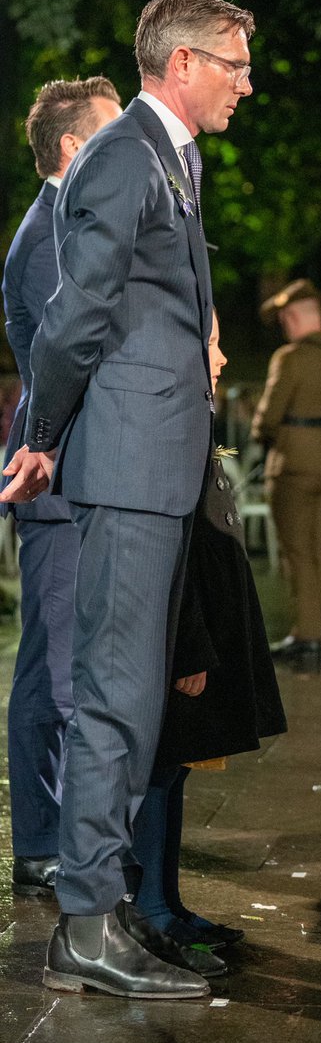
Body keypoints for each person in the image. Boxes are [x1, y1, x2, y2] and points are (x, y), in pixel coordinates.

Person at [0, 0, 254, 999]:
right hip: (125, 467)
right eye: (233, 65)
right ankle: (86, 929)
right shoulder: (120, 156)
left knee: (136, 699)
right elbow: (72, 318)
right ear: (181, 64)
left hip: (159, 468)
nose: (246, 83)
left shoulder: (168, 159)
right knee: (113, 702)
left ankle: (111, 912)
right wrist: (43, 436)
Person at [132, 310, 287, 950]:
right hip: (178, 634)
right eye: (212, 346)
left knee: (178, 769)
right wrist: (191, 645)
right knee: (160, 769)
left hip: (199, 629)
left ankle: (167, 900)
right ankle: (152, 911)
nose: (221, 360)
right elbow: (175, 551)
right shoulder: (168, 430)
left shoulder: (194, 419)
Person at [1, 78, 122, 896]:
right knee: (58, 677)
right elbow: (66, 354)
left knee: (51, 669)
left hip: (69, 475)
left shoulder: (61, 226)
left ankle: (48, 837)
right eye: (111, 138)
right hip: (57, 481)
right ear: (74, 149)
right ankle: (50, 841)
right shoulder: (49, 236)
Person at [251, 279, 321, 666]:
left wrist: (260, 432)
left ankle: (306, 634)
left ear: (294, 317)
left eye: (283, 319)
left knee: (296, 552)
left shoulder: (289, 358)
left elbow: (268, 416)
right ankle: (320, 633)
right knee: (320, 551)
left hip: (292, 464)